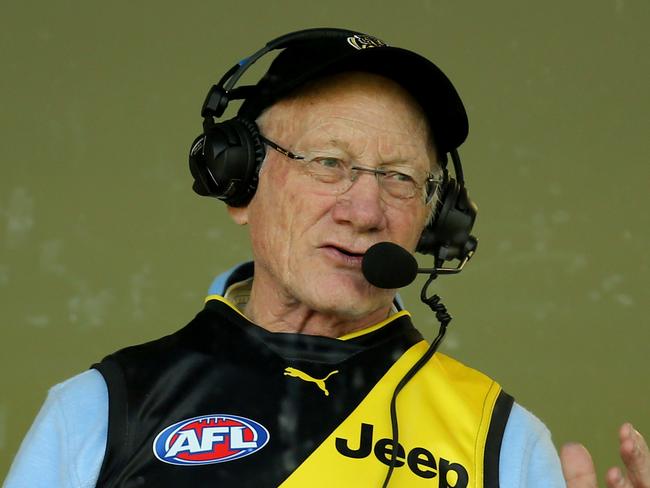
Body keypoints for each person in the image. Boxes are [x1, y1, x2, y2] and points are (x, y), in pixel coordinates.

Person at [4, 28, 649, 488]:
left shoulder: (503, 440)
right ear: (240, 182)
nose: (364, 210)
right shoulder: (97, 410)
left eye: (399, 178)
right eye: (329, 163)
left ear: (434, 219)